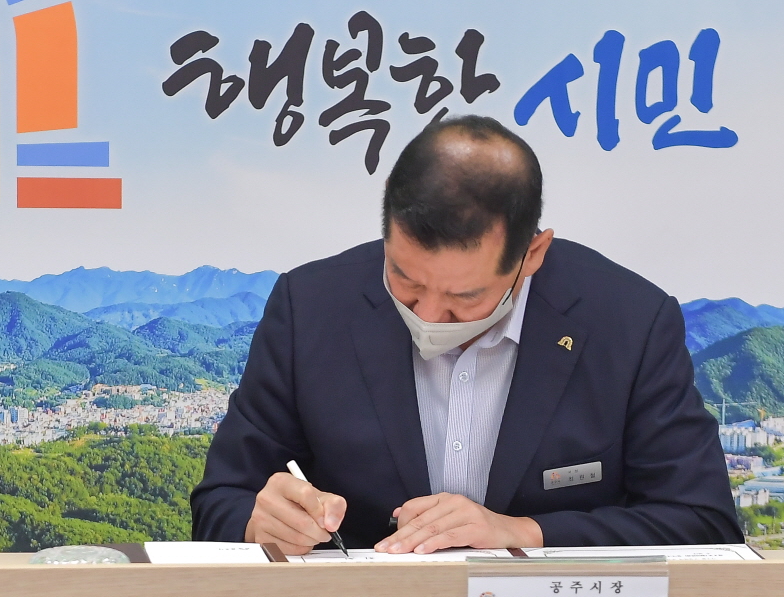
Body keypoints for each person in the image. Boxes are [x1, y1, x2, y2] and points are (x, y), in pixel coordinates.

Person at [192, 114, 741, 554]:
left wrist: (520, 532)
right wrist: (259, 522)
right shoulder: (311, 306)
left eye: (465, 298)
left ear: (532, 255)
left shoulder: (628, 322)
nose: (430, 316)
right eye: (406, 281)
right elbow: (221, 499)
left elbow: (703, 522)